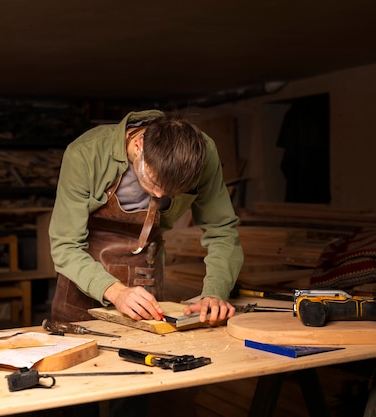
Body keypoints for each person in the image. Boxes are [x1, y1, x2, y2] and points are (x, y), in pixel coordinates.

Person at [49, 109, 243, 326]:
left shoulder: (202, 155)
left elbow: (221, 231)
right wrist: (115, 291)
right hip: (83, 276)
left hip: (146, 271)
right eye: (154, 183)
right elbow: (65, 246)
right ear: (139, 145)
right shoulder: (85, 154)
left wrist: (215, 293)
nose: (160, 195)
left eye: (171, 191)